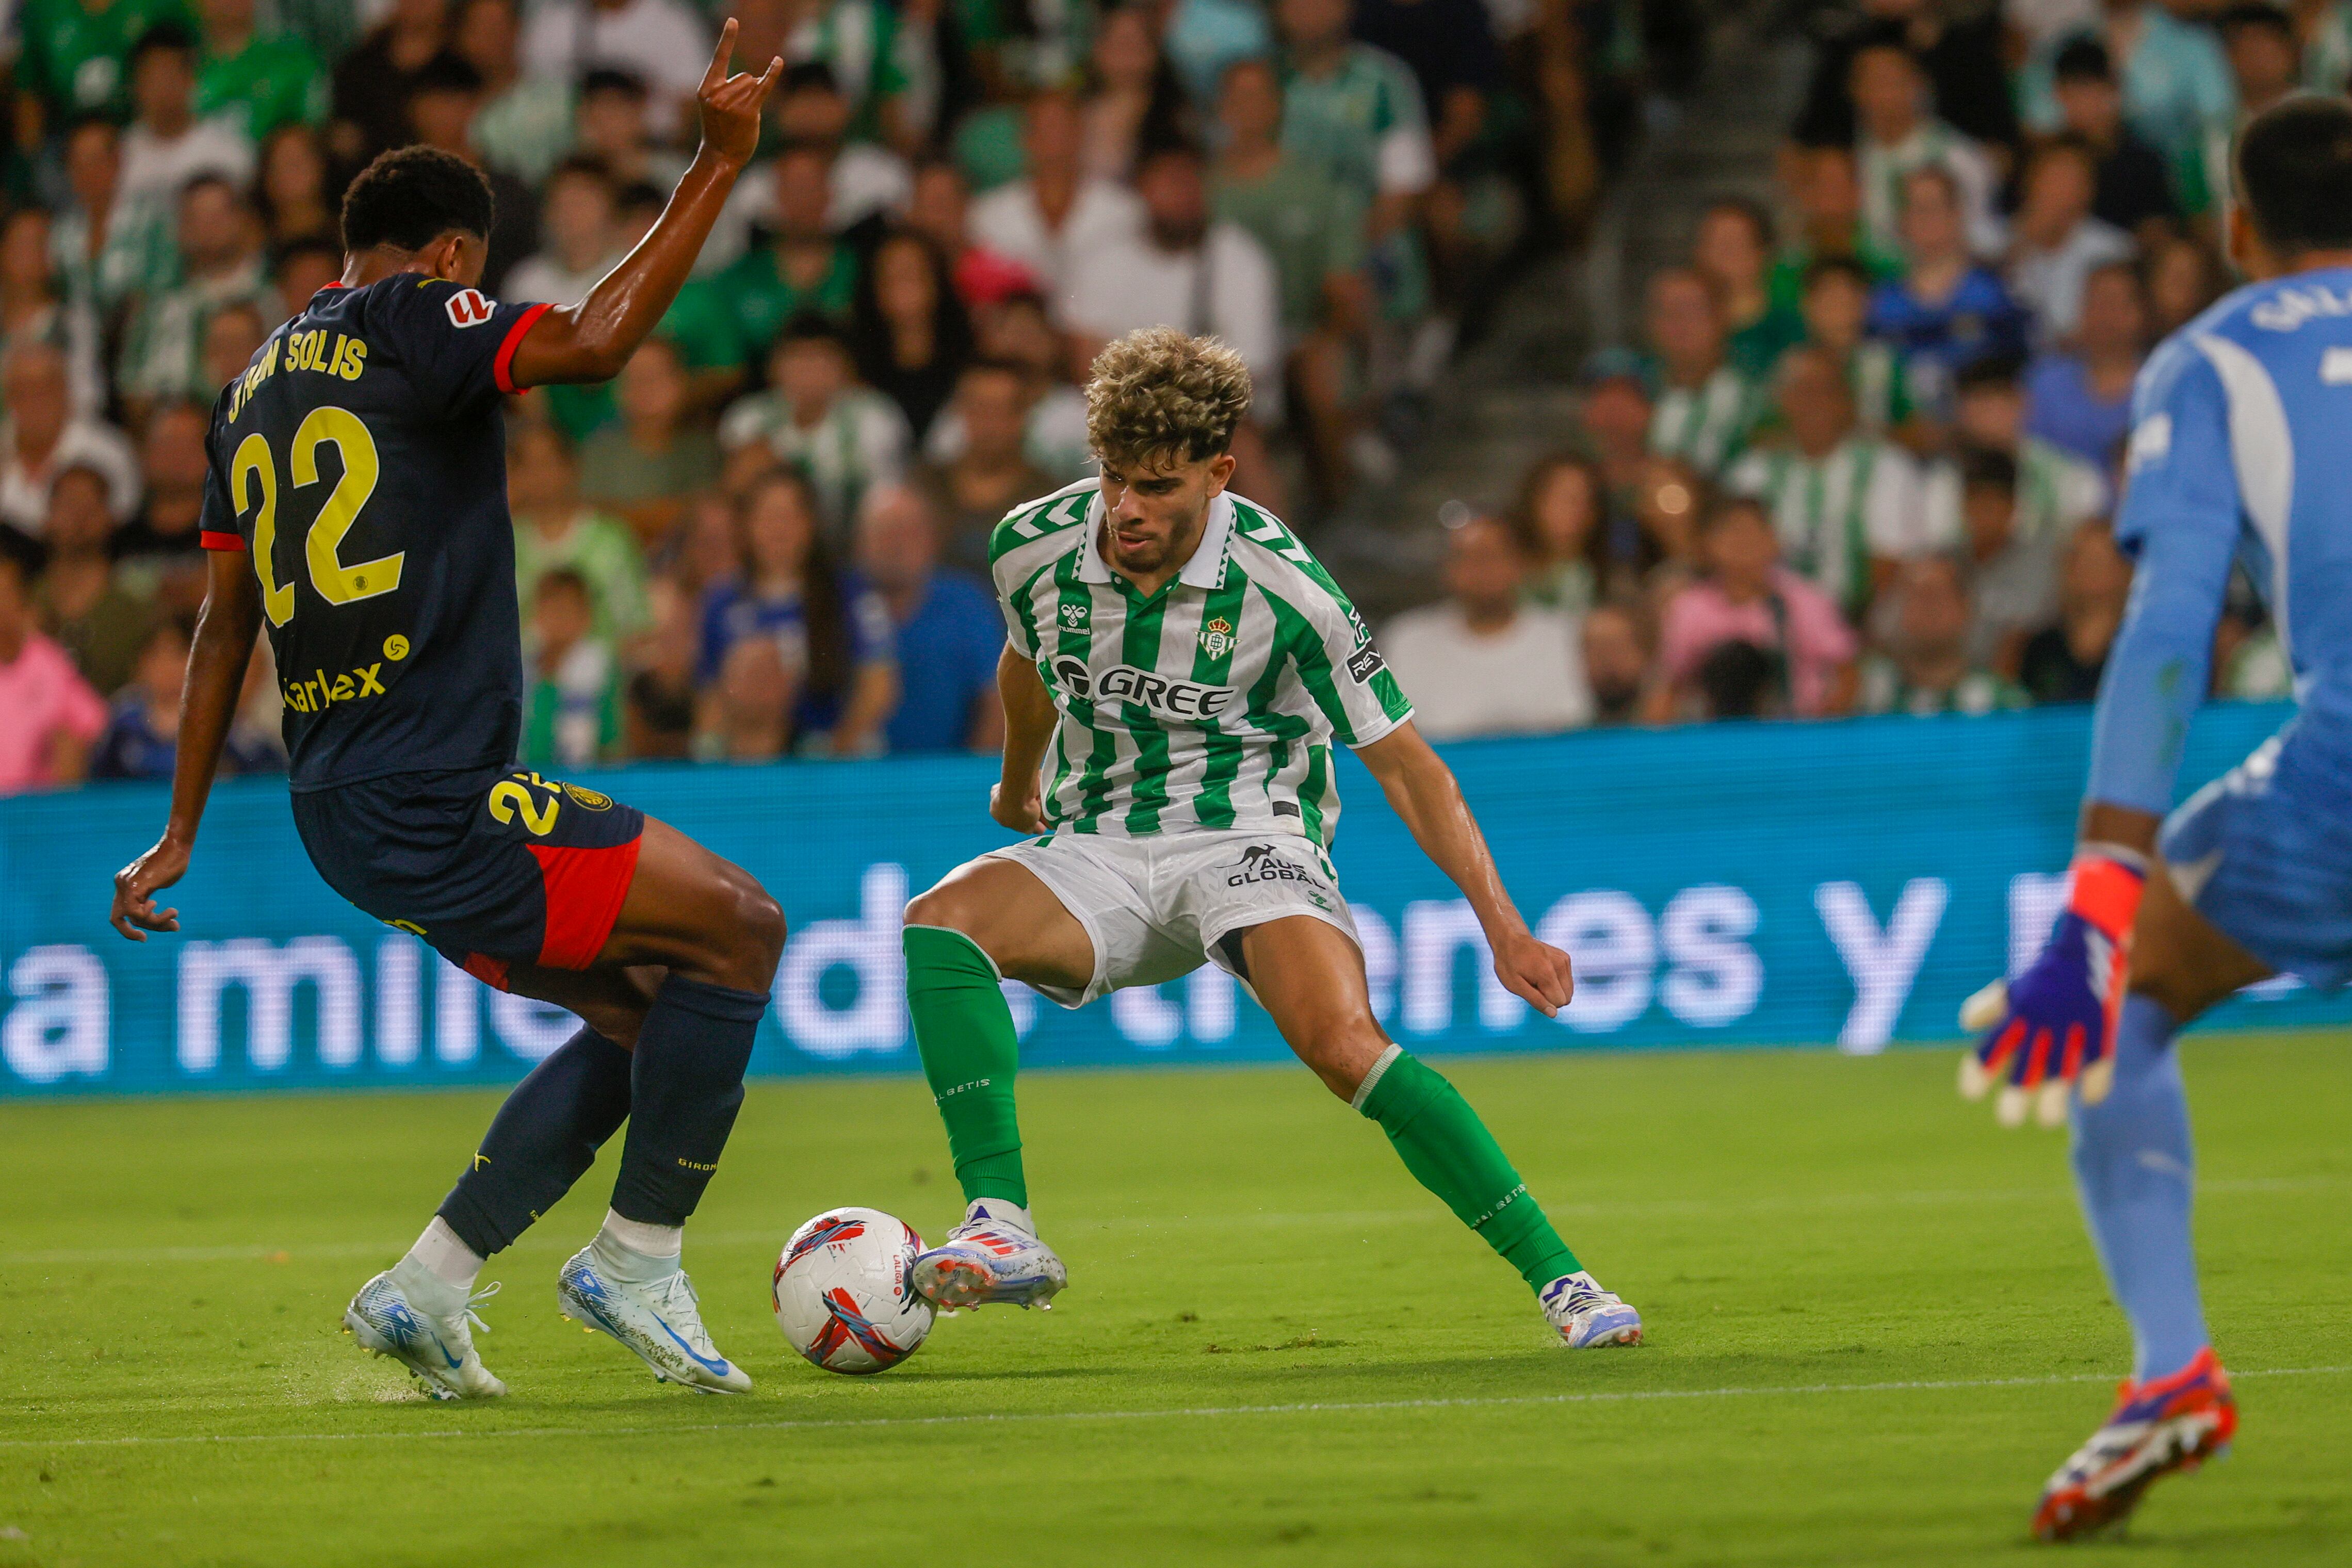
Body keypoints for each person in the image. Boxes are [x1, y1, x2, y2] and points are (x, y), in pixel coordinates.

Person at [107, 30, 789, 1402]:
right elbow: (595, 342)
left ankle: (426, 1284)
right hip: (433, 789)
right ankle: (636, 1261)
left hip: (336, 806)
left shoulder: (248, 391)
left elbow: (224, 627)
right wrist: (713, 169)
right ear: (452, 254)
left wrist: (179, 828)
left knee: (643, 1008)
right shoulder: (416, 314)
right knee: (740, 928)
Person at [897, 326, 1644, 1350]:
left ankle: (1564, 1280)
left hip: (1248, 838)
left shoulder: (1286, 589)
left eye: (1156, 485)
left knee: (1345, 1048)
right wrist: (1017, 780)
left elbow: (1408, 767)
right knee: (938, 925)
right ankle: (1000, 1226)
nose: (1125, 508)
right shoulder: (1030, 545)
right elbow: (1024, 665)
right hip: (1098, 843)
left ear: (1218, 474)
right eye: (1113, 477)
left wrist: (1503, 926)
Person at [1951, 98, 2352, 1539]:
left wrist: (2099, 896)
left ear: (2237, 229)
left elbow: (2170, 626)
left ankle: (2171, 1371)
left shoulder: (2214, 358)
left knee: (2115, 1001)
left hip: (2340, 782)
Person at [694, 466, 898, 756]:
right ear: (747, 525)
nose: (779, 529)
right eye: (768, 517)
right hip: (748, 761)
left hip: (834, 756)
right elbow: (711, 696)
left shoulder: (852, 594)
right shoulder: (722, 601)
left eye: (790, 516)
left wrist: (836, 749)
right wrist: (711, 757)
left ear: (810, 524)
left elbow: (879, 685)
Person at [1723, 346, 1925, 623]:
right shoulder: (1752, 473)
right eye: (1801, 391)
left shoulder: (1886, 467)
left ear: (1847, 400)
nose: (1815, 403)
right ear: (1781, 400)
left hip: (1858, 623)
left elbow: (1889, 567)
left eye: (1826, 391)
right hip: (1764, 624)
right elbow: (1734, 560)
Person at [1381, 513, 1593, 739]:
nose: (1482, 569)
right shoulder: (1406, 641)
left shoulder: (1569, 636)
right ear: (1447, 568)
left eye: (1493, 556)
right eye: (1467, 557)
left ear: (1520, 563)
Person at [1653, 494, 1858, 721]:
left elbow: (1846, 675)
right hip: (1715, 731)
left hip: (1797, 729)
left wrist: (1822, 727)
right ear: (1708, 544)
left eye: (1752, 532)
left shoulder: (1806, 601)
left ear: (1774, 540)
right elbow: (1671, 685)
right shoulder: (1689, 608)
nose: (1743, 543)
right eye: (1732, 532)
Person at [853, 482, 1002, 753]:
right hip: (846, 771)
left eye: (909, 531)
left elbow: (998, 701)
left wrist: (974, 773)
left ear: (933, 540)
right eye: (885, 531)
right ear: (860, 541)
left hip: (949, 770)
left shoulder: (965, 603)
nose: (897, 544)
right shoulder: (833, 605)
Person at [507, 421, 648, 641]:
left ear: (571, 466)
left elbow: (636, 627)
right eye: (528, 465)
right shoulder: (506, 544)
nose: (539, 475)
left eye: (548, 463)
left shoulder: (611, 539)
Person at [913, 358, 1055, 573]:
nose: (988, 424)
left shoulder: (1048, 499)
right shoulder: (925, 486)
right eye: (978, 409)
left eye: (1000, 411)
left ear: (1023, 416)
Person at [2002, 137, 2136, 347]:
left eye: (2071, 178)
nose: (2059, 189)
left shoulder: (2115, 249)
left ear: (2089, 189)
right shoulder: (1996, 241)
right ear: (2028, 181)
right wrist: (2022, 244)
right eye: (2052, 177)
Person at [36, 463, 155, 696]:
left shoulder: (138, 606)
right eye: (69, 505)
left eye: (91, 506)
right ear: (47, 517)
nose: (80, 517)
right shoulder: (25, 602)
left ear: (110, 517)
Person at [1857, 554, 2029, 715]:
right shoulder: (1866, 697)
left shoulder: (2005, 703)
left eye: (1941, 595)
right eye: (1919, 595)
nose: (1930, 608)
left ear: (1967, 608)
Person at [0, 547, 110, 793]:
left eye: (6, 594)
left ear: (23, 601)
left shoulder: (48, 661)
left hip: (37, 803)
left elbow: (94, 722)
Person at [847, 228, 974, 442]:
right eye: (890, 277)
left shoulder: (971, 359)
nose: (902, 287)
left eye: (911, 274)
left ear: (937, 281)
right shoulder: (851, 365)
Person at [2050, 36, 2179, 240]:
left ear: (2112, 89)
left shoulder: (2143, 161)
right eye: (2071, 94)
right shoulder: (2047, 161)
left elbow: (2157, 230)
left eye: (2088, 91)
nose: (2081, 105)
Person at [2024, 260, 2147, 468]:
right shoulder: (2044, 382)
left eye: (2116, 304)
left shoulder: (2160, 385)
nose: (2106, 316)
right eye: (2096, 303)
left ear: (2141, 312)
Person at [1644, 267, 1758, 478]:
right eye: (1668, 312)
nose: (1680, 324)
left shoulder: (1754, 406)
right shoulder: (1639, 397)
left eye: (1692, 311)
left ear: (1722, 317)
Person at [2020, 518, 2131, 703]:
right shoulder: (2041, 648)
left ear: (2126, 569)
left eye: (2104, 562)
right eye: (2086, 560)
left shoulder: (2141, 645)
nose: (2095, 572)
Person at [521, 566, 621, 767]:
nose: (558, 620)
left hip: (585, 774)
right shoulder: (521, 666)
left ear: (586, 617)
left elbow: (610, 737)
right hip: (528, 774)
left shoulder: (599, 668)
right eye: (551, 610)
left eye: (566, 611)